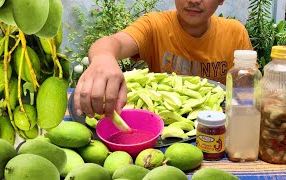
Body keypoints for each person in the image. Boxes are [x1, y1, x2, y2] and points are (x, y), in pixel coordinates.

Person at [74, 0, 253, 120]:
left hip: (213, 129)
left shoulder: (235, 33)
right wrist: (103, 58)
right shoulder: (154, 25)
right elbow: (115, 43)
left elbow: (248, 93)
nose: (193, 0)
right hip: (161, 129)